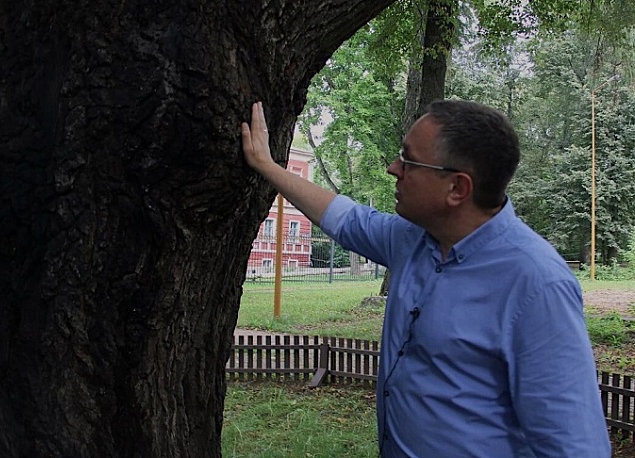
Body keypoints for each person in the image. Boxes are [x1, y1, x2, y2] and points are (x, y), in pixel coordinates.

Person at [241, 100, 611, 457]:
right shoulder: (412, 238)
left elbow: (575, 445)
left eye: (408, 161)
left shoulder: (537, 284)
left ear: (457, 189)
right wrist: (266, 165)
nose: (393, 169)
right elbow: (346, 218)